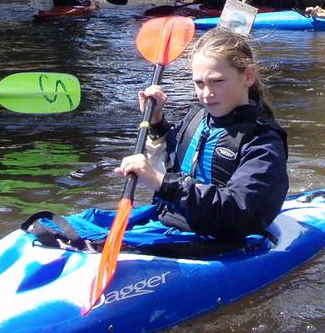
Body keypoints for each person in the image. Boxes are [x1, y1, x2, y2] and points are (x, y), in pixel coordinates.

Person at [114, 27, 289, 240]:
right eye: (199, 83)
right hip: (168, 223)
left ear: (248, 76)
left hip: (217, 241)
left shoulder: (263, 141)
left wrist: (162, 184)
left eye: (217, 81)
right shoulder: (198, 116)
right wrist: (156, 121)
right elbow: (178, 157)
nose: (206, 94)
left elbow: (238, 211)